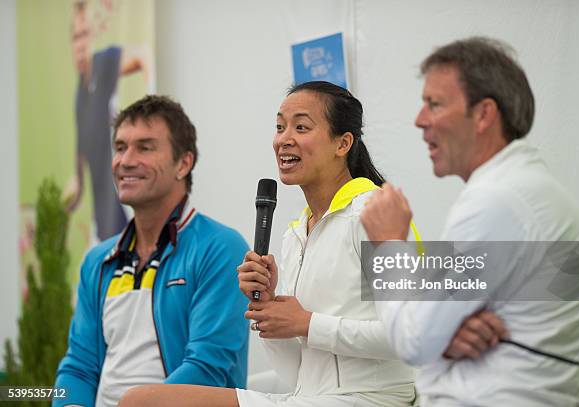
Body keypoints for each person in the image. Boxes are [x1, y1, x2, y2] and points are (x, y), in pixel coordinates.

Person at [118, 81, 421, 406]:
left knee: (143, 401)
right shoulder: (295, 235)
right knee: (140, 399)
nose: (284, 139)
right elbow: (295, 370)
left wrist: (307, 323)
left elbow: (414, 334)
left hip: (376, 400)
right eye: (279, 127)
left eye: (301, 127)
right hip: (309, 398)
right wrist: (268, 307)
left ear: (343, 143)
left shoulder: (376, 211)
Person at [360, 37, 579, 406]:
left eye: (434, 104)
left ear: (483, 114)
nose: (419, 120)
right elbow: (430, 326)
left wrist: (387, 244)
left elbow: (413, 340)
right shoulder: (531, 192)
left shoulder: (495, 202)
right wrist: (444, 331)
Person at [53, 95, 250, 407]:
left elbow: (207, 369)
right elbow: (78, 366)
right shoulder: (97, 261)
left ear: (184, 163)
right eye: (120, 147)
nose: (126, 160)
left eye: (144, 147)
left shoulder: (222, 248)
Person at [65, 0, 152, 241]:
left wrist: (152, 106)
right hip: (100, 226)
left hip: (123, 216)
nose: (80, 45)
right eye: (75, 37)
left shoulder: (105, 62)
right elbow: (79, 179)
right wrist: (56, 208)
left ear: (93, 36)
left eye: (84, 35)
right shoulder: (80, 96)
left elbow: (143, 54)